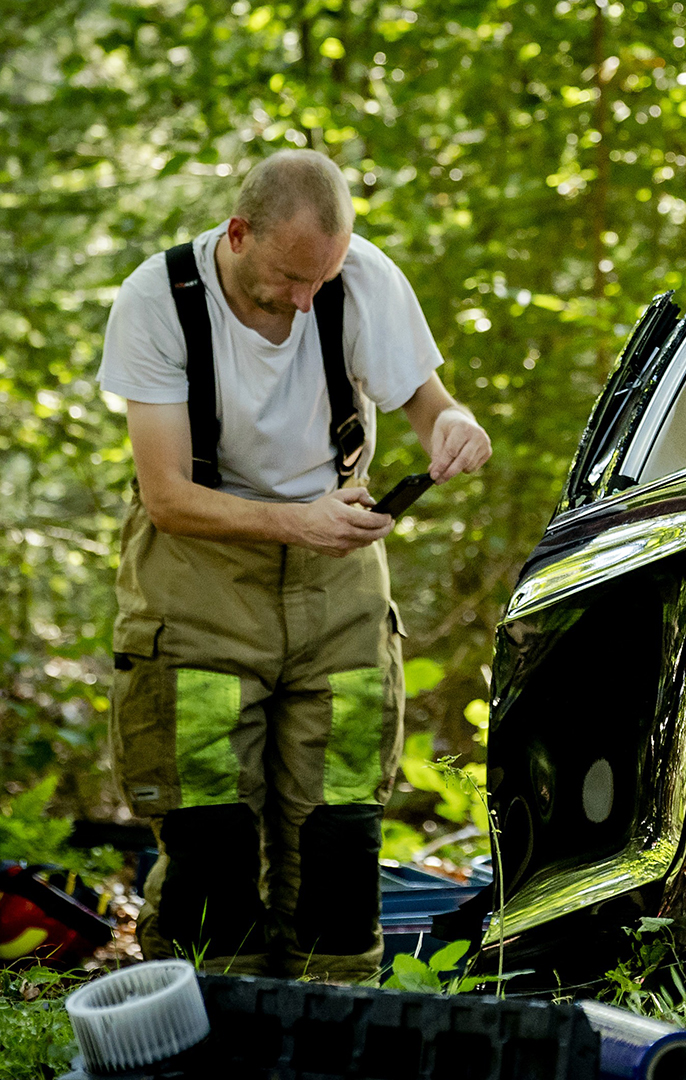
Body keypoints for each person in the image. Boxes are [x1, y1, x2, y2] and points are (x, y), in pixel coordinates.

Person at [97, 149, 491, 981]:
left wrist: (453, 424)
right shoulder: (158, 301)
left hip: (339, 588)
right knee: (210, 836)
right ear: (238, 233)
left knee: (340, 832)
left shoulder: (361, 279)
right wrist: (295, 522)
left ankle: (336, 1014)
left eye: (323, 278)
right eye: (288, 277)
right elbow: (166, 497)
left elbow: (430, 404)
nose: (307, 299)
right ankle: (210, 1019)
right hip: (198, 584)